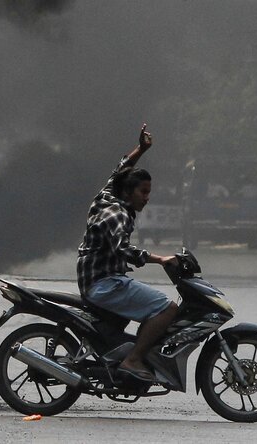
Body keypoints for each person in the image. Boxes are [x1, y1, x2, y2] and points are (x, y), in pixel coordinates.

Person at [77, 124, 179, 382]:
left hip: (98, 281)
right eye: (143, 192)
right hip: (104, 284)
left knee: (148, 302)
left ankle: (126, 354)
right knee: (167, 309)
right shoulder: (117, 214)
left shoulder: (107, 197)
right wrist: (161, 259)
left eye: (148, 192)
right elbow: (123, 249)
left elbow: (119, 170)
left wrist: (141, 149)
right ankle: (133, 360)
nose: (146, 198)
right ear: (129, 192)